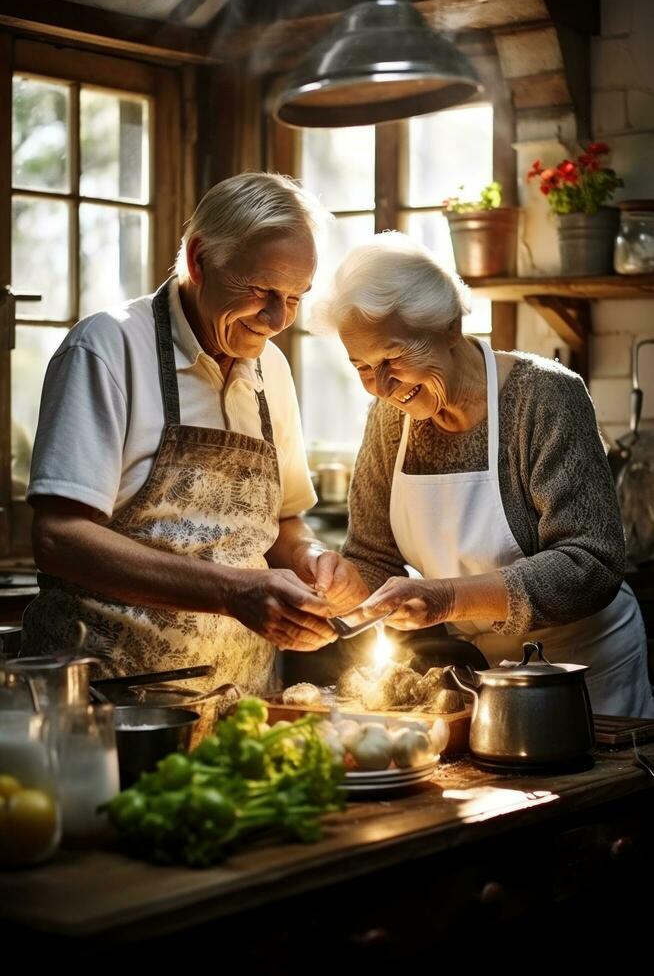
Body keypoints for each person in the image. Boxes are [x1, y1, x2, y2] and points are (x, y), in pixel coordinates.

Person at [23, 172, 367, 693]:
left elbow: (284, 523)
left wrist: (311, 560)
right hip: (109, 704)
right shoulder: (108, 348)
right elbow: (59, 538)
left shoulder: (270, 369)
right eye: (261, 290)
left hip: (240, 706)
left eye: (296, 298)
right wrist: (232, 591)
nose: (278, 319)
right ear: (199, 259)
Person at [320, 232, 653, 717]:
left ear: (449, 327)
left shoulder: (545, 397)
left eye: (392, 358)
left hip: (584, 670)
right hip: (485, 676)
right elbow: (373, 555)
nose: (383, 386)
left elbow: (591, 563)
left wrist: (448, 599)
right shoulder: (389, 417)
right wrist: (340, 587)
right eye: (362, 366)